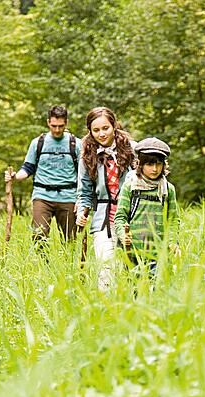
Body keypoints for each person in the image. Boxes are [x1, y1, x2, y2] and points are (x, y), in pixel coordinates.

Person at [76, 107, 137, 290]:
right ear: (90, 131)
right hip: (104, 218)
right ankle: (107, 313)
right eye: (96, 130)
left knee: (133, 268)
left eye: (105, 128)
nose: (101, 134)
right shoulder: (87, 155)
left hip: (131, 216)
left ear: (114, 126)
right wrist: (81, 211)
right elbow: (85, 191)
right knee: (106, 268)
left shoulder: (133, 149)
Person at [4, 105, 80, 245]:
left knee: (70, 240)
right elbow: (27, 168)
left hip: (68, 196)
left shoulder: (75, 144)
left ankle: (68, 265)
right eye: (53, 126)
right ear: (48, 122)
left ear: (66, 123)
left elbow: (83, 173)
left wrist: (82, 199)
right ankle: (43, 265)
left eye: (60, 126)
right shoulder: (38, 143)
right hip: (42, 196)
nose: (57, 130)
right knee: (39, 235)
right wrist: (15, 176)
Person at [114, 137, 180, 280]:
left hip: (160, 253)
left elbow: (173, 220)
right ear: (140, 164)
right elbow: (120, 217)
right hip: (134, 253)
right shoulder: (130, 186)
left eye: (159, 164)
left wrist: (172, 242)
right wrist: (122, 234)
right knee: (135, 293)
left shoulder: (168, 189)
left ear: (164, 165)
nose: (155, 169)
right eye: (150, 164)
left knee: (158, 292)